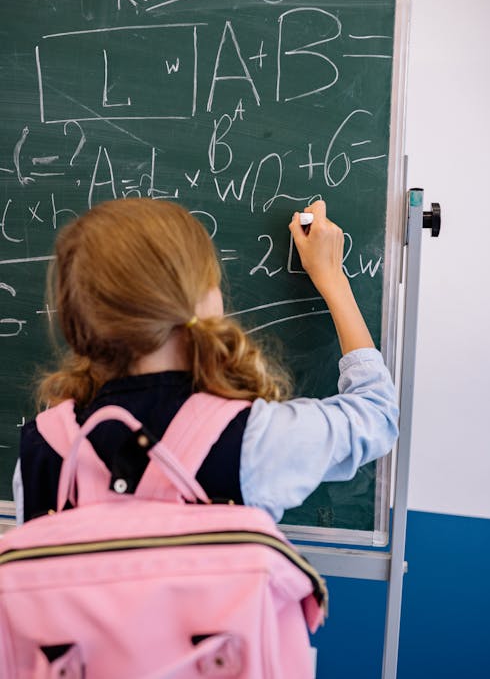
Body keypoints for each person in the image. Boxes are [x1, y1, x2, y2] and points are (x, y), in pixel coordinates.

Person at [13, 197, 398, 524]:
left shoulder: (44, 447)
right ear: (200, 300)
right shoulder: (255, 440)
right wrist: (333, 280)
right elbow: (376, 414)